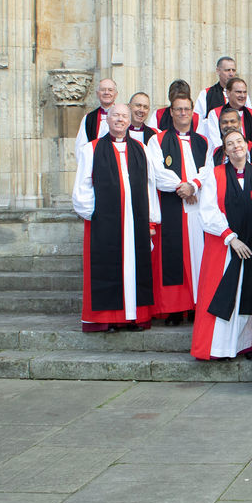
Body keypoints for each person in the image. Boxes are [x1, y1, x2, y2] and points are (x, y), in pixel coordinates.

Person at [73, 104, 160, 332]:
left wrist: (151, 220)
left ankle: (133, 317)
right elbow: (82, 185)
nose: (120, 120)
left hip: (136, 220)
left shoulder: (141, 148)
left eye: (124, 116)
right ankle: (107, 319)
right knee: (107, 267)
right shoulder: (91, 149)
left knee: (135, 266)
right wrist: (95, 214)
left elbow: (150, 186)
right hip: (106, 221)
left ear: (129, 120)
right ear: (107, 120)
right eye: (115, 116)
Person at [191, 129, 252, 360]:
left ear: (247, 145)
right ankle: (221, 348)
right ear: (225, 151)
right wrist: (230, 237)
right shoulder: (215, 174)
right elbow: (208, 209)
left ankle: (246, 345)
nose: (236, 147)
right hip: (225, 246)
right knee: (225, 294)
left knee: (249, 294)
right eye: (230, 144)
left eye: (239, 142)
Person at [147, 94, 210, 325]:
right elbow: (156, 170)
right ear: (171, 112)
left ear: (193, 112)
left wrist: (194, 185)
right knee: (173, 258)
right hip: (172, 205)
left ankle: (196, 306)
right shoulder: (158, 140)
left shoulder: (203, 141)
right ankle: (175, 309)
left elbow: (208, 169)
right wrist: (181, 186)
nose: (183, 113)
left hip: (198, 205)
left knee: (198, 256)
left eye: (186, 109)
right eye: (178, 109)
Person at [200, 77, 252, 150]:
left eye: (244, 92)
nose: (242, 95)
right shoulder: (215, 114)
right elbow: (215, 141)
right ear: (228, 93)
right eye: (238, 92)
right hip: (224, 156)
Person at [195, 56, 252, 120]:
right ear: (218, 71)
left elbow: (249, 115)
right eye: (227, 70)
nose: (231, 74)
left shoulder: (242, 94)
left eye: (233, 70)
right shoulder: (206, 93)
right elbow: (198, 119)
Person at [74, 77, 117, 162]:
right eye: (103, 90)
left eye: (110, 90)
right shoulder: (88, 118)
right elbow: (80, 147)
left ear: (116, 94)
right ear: (97, 94)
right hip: (95, 165)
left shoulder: (124, 116)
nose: (106, 92)